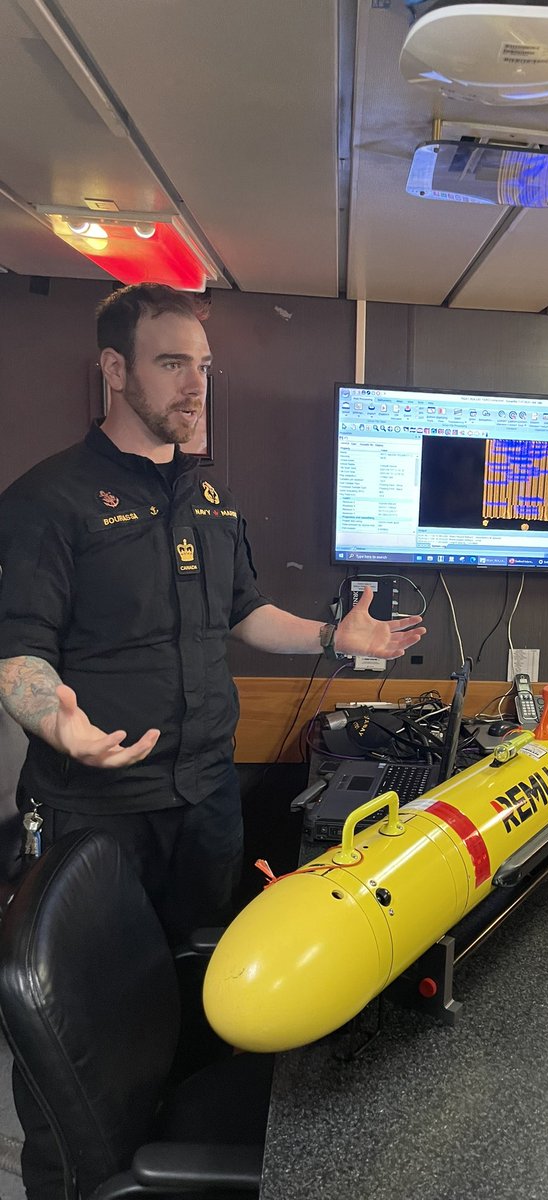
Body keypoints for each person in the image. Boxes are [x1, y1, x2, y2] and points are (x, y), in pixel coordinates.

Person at [0, 282, 426, 942]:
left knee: (204, 964)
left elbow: (243, 611)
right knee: (102, 987)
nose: (195, 386)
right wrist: (55, 723)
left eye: (202, 366)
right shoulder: (47, 500)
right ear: (115, 370)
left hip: (208, 794)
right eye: (171, 364)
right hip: (98, 805)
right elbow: (18, 650)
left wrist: (329, 635)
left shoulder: (211, 497)